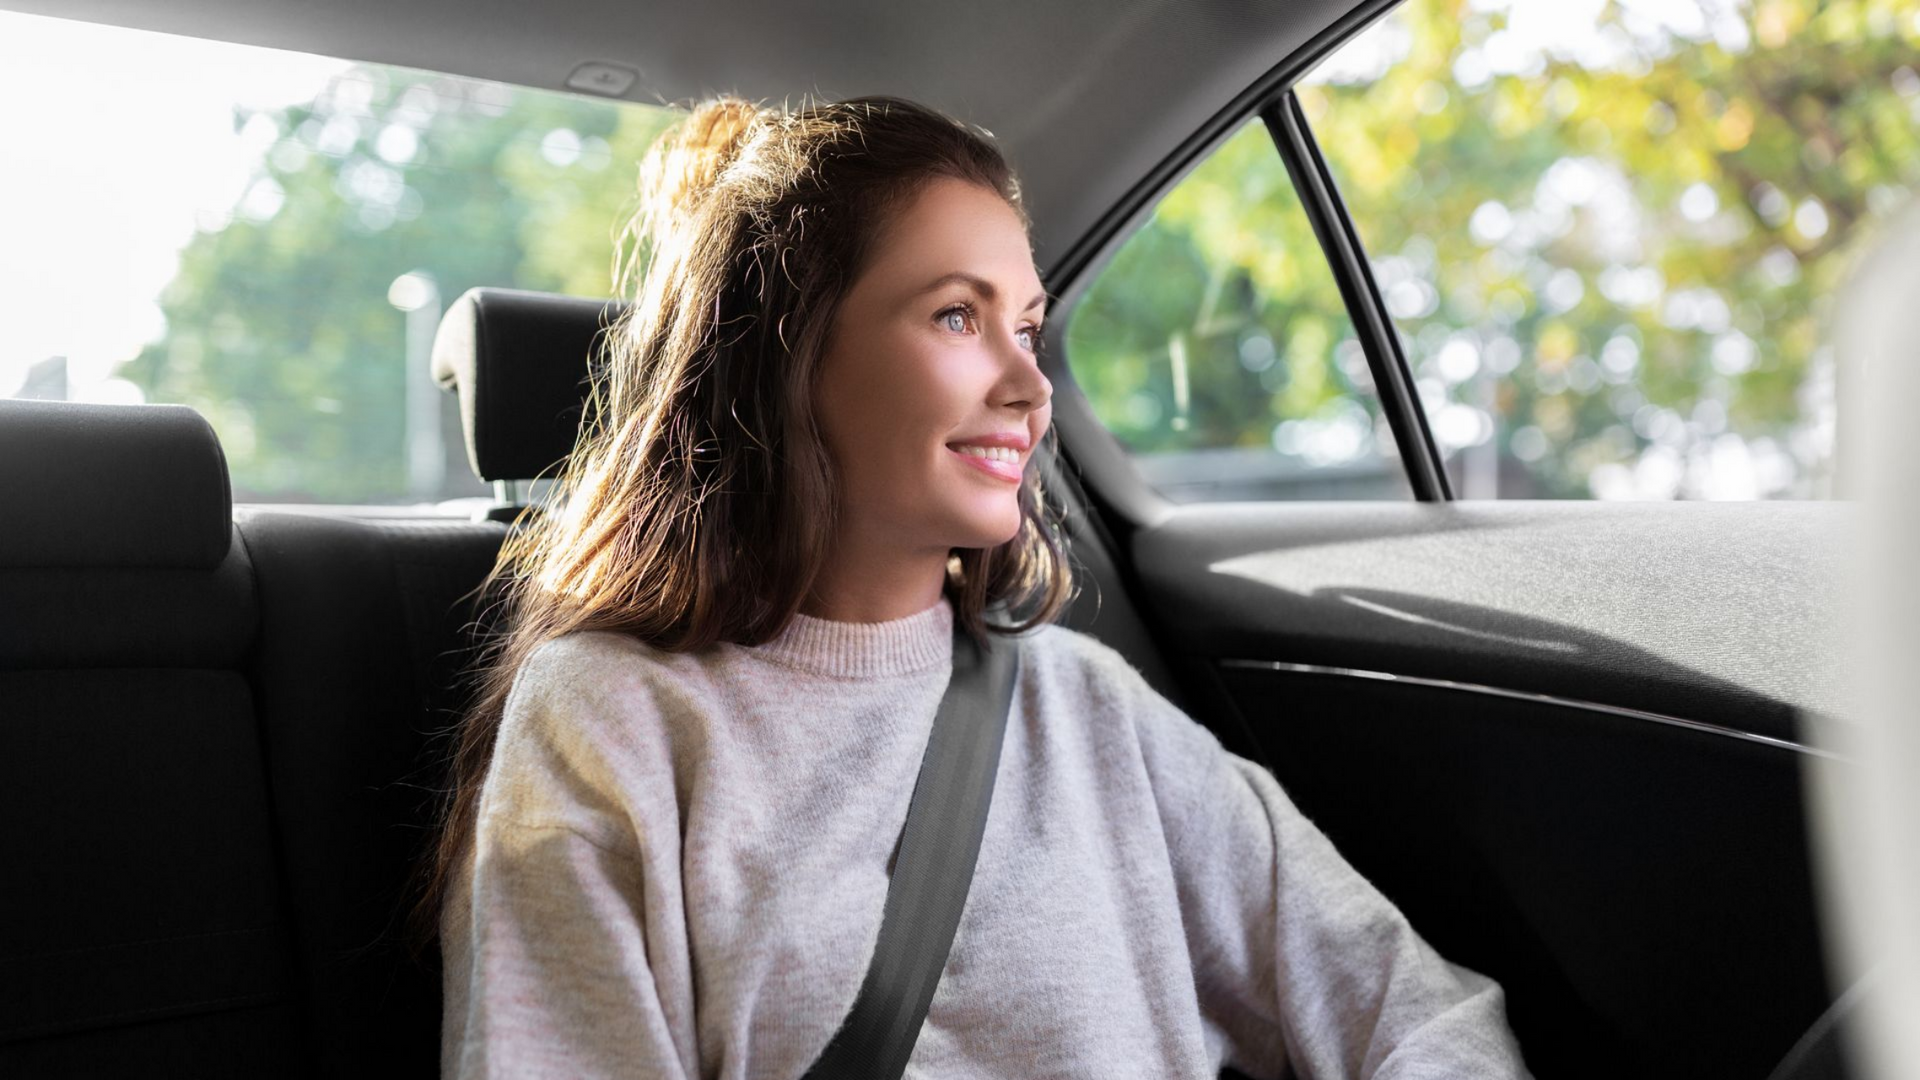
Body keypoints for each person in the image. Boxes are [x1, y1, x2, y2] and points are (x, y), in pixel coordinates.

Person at [412, 94, 1531, 1079]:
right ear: (791, 355)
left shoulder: (1089, 706)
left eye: (1030, 327)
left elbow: (1407, 1007)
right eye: (958, 316)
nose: (1029, 384)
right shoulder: (612, 721)